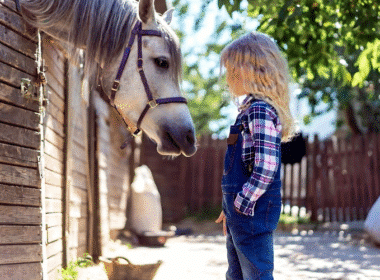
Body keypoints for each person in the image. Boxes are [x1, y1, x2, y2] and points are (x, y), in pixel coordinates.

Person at [215, 31, 295, 280]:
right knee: (236, 273)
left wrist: (241, 203)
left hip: (250, 208)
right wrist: (228, 209)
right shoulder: (248, 111)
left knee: (256, 273)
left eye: (230, 69)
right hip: (240, 210)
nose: (227, 77)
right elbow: (243, 167)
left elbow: (266, 166)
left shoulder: (259, 111)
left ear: (250, 69)